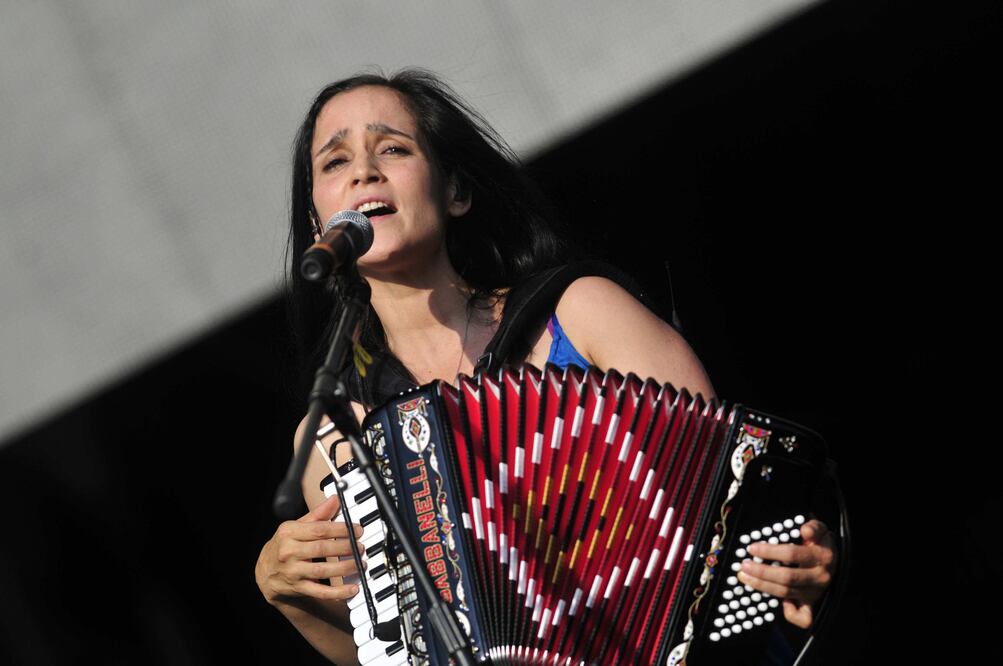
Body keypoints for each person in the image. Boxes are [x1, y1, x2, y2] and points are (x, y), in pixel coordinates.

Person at [254, 69, 836, 664]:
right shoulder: (331, 439)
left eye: (394, 149)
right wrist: (288, 597)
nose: (363, 172)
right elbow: (392, 655)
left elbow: (729, 498)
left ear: (456, 190)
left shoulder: (579, 314)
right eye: (334, 162)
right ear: (319, 216)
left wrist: (796, 563)